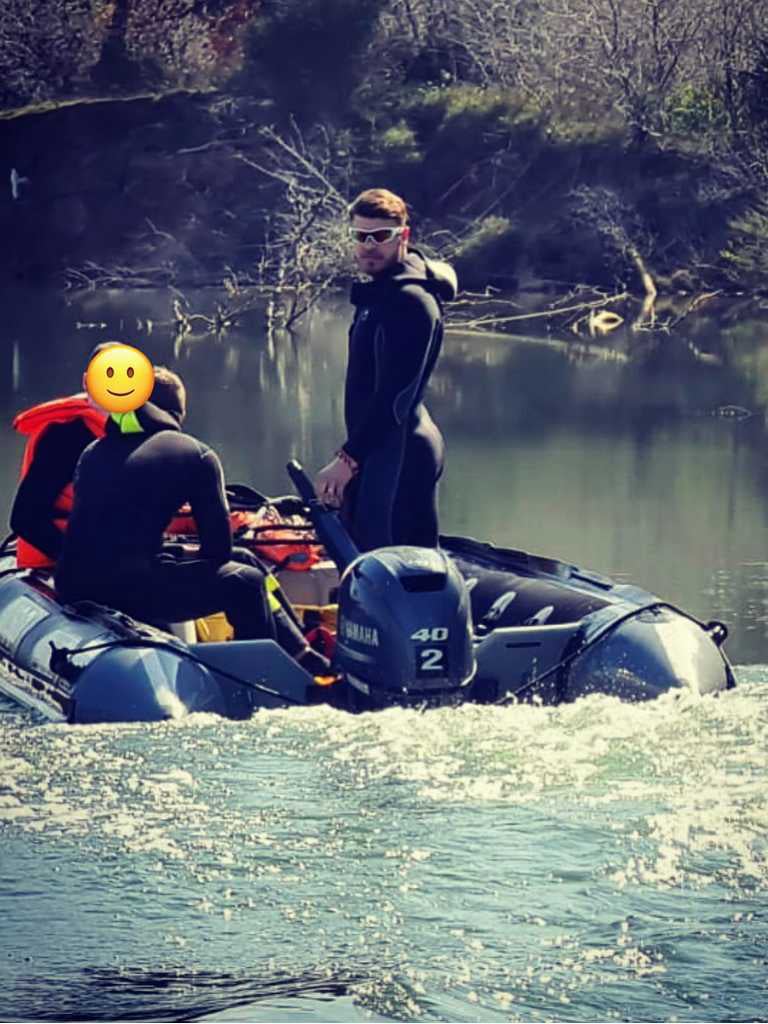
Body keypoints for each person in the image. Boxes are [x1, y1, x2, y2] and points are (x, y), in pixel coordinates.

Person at [55, 367, 329, 674]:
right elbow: (218, 550)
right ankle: (264, 683)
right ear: (178, 413)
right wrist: (184, 552)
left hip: (75, 586)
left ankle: (301, 652)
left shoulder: (93, 452)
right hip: (130, 590)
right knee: (246, 583)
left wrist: (175, 552)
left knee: (245, 558)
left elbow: (113, 534)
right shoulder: (196, 454)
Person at [313, 188, 457, 552]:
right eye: (360, 236)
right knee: (369, 554)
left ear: (402, 237)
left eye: (380, 236)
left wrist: (348, 458)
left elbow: (396, 397)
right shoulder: (380, 293)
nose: (369, 246)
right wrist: (357, 457)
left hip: (403, 452)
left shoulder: (411, 301)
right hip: (379, 450)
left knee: (396, 564)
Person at [9, 342, 117, 568]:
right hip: (51, 564)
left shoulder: (126, 431)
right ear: (87, 382)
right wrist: (80, 563)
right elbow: (25, 518)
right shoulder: (64, 437)